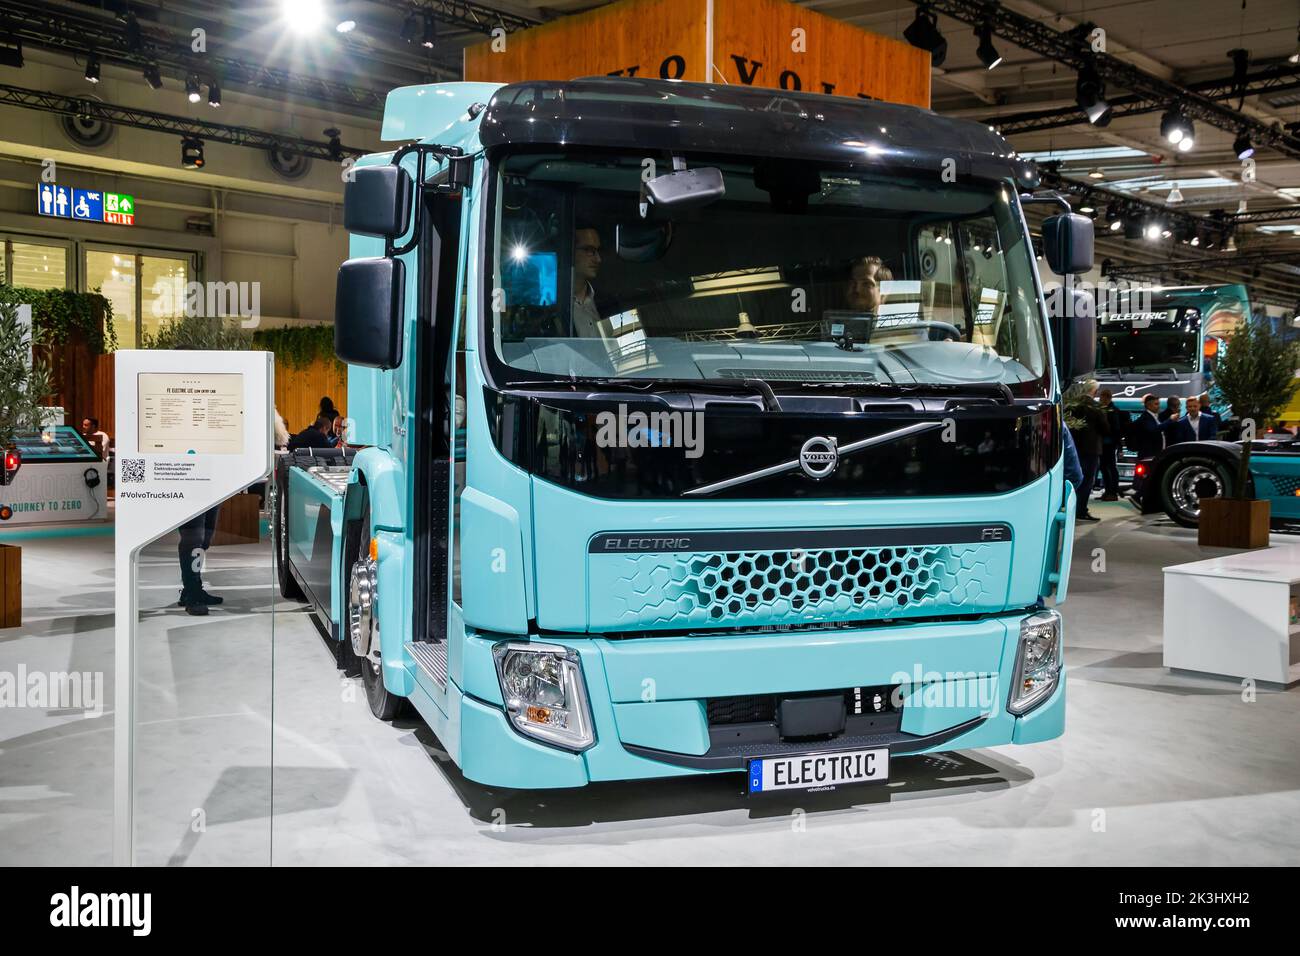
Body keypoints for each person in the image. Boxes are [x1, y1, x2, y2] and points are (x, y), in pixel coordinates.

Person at [1064, 378, 1108, 521]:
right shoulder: (1096, 407)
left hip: (1075, 448)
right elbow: (1105, 428)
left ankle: (1070, 507)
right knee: (1088, 480)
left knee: (1074, 478)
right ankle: (1081, 510)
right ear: (1094, 391)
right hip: (1091, 450)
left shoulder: (1073, 405)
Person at [177, 505, 222, 616]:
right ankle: (193, 594)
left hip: (213, 491)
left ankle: (192, 590)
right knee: (193, 540)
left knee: (205, 540)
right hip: (190, 493)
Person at [571, 224, 606, 338]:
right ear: (570, 251)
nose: (598, 259)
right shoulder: (553, 306)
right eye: (589, 250)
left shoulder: (608, 302)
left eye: (597, 251)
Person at [1096, 388, 1125, 501]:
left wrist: (1119, 445)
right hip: (1104, 443)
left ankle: (1112, 492)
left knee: (1110, 468)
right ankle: (1108, 491)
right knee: (1104, 468)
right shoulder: (1105, 409)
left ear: (1107, 398)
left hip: (1109, 444)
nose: (1100, 399)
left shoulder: (1113, 410)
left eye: (1102, 397)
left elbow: (1116, 429)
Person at [1130, 393, 1174, 460]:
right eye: (1156, 404)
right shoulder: (1145, 418)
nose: (1159, 406)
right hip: (1149, 455)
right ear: (1149, 405)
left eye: (1158, 404)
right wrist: (1170, 420)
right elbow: (1154, 430)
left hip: (1157, 453)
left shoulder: (1155, 416)